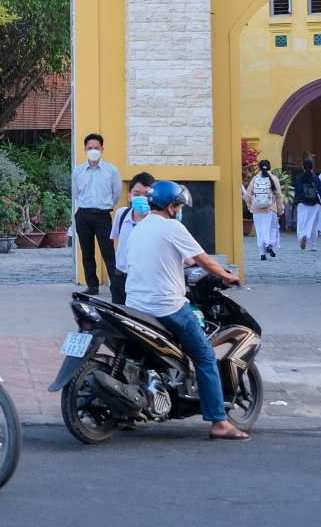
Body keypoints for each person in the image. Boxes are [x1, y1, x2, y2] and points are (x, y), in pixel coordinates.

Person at [124, 180, 248, 441]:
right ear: (171, 206)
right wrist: (226, 275)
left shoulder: (139, 227)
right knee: (205, 356)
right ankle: (219, 422)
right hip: (167, 307)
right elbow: (203, 260)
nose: (180, 210)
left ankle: (129, 412)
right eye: (179, 206)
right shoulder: (172, 226)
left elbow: (183, 259)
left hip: (135, 307)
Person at [72, 133, 123, 296]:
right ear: (84, 149)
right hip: (84, 215)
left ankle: (116, 286)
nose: (93, 150)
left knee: (108, 251)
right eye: (90, 148)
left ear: (102, 149)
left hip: (103, 216)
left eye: (96, 148)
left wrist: (106, 206)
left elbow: (116, 193)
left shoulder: (111, 170)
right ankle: (92, 285)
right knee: (87, 252)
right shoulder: (78, 171)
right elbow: (76, 193)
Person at [107, 172, 156, 307]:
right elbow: (118, 241)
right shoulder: (121, 214)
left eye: (146, 195)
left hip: (144, 282)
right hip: (120, 279)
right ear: (129, 197)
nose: (141, 198)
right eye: (136, 194)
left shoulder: (157, 221)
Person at [243, 160, 282, 261]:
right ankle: (269, 244)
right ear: (269, 167)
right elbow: (278, 196)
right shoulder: (273, 179)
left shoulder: (255, 179)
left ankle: (262, 253)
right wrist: (280, 210)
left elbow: (248, 195)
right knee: (273, 227)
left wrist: (249, 205)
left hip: (256, 209)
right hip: (270, 208)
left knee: (260, 230)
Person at [293, 159, 321, 251]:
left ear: (303, 167)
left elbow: (297, 190)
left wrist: (296, 202)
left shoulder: (299, 178)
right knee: (314, 224)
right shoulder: (316, 178)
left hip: (302, 203)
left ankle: (304, 236)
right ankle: (313, 245)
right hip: (314, 204)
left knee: (302, 222)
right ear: (312, 167)